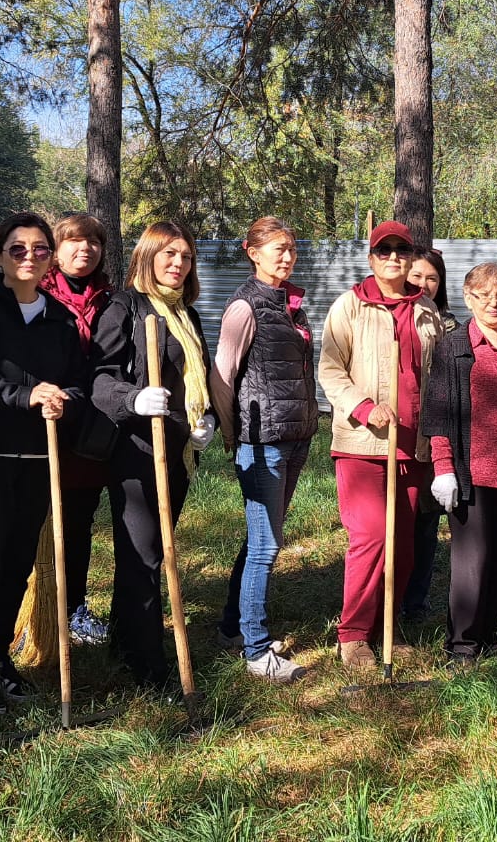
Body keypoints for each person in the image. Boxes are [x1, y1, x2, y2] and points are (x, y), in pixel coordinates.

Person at [0, 211, 86, 714]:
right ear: (0, 254)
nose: (30, 257)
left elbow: (77, 382)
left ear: (51, 258)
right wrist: (24, 396)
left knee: (18, 565)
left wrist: (60, 398)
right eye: (18, 248)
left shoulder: (61, 319)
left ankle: (1, 655)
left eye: (40, 249)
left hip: (38, 459)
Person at [83, 221, 216, 689]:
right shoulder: (125, 308)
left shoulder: (188, 315)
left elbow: (194, 380)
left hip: (177, 451)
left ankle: (124, 640)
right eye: (169, 255)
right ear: (148, 256)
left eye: (185, 257)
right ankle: (147, 664)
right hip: (138, 451)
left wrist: (203, 420)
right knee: (144, 556)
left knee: (155, 550)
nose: (178, 264)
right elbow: (98, 378)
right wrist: (132, 398)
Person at [318, 220, 446, 668]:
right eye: (384, 250)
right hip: (365, 443)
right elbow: (331, 370)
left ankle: (384, 627)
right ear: (372, 258)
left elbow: (437, 377)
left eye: (401, 250)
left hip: (414, 446)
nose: (393, 257)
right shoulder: (350, 306)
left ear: (411, 258)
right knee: (371, 537)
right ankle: (353, 636)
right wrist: (364, 406)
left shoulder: (428, 311)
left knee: (404, 544)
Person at [209, 217, 319, 683]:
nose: (286, 255)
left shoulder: (291, 303)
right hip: (262, 444)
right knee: (266, 546)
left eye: (291, 248)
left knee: (259, 538)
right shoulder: (245, 307)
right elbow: (222, 376)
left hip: (294, 437)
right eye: (277, 248)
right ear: (252, 252)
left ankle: (233, 627)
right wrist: (235, 438)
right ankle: (257, 651)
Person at [420, 262, 497, 663]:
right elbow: (437, 412)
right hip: (471, 474)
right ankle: (463, 645)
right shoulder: (454, 348)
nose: (494, 302)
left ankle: (491, 634)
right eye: (484, 294)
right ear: (469, 297)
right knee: (474, 560)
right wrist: (443, 467)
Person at [40, 213, 116, 645]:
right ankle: (32, 607)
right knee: (35, 522)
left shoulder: (110, 300)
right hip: (41, 423)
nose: (83, 249)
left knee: (78, 520)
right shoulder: (36, 294)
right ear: (56, 248)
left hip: (89, 428)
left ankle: (72, 608)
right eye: (73, 241)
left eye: (92, 242)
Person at [402, 247, 454, 618]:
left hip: (437, 435)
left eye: (432, 278)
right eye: (417, 277)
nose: (424, 284)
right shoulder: (394, 319)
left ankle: (415, 600)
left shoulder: (451, 327)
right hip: (401, 431)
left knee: (426, 521)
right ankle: (391, 595)